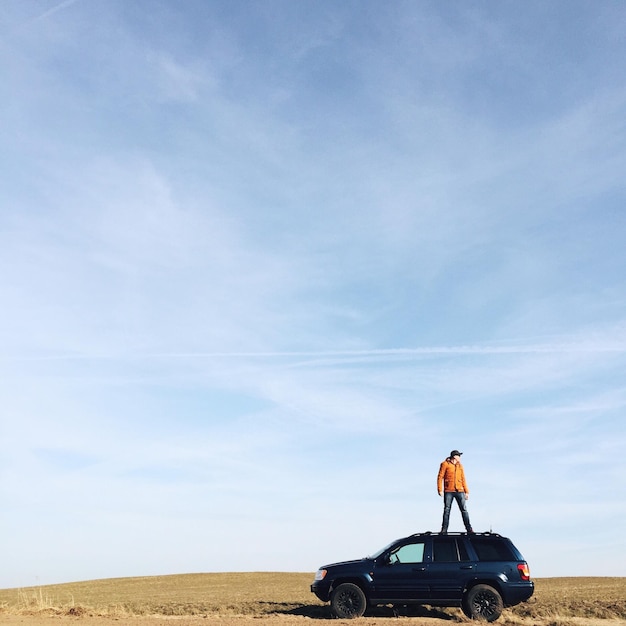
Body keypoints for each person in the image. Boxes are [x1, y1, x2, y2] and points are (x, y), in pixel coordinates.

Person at [437, 449, 473, 534]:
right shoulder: (445, 464)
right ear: (454, 457)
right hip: (448, 490)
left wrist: (467, 491)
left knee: (464, 510)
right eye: (458, 456)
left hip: (460, 490)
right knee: (447, 510)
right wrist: (440, 490)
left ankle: (469, 529)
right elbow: (440, 477)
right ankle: (444, 529)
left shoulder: (460, 466)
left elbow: (463, 479)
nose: (460, 458)